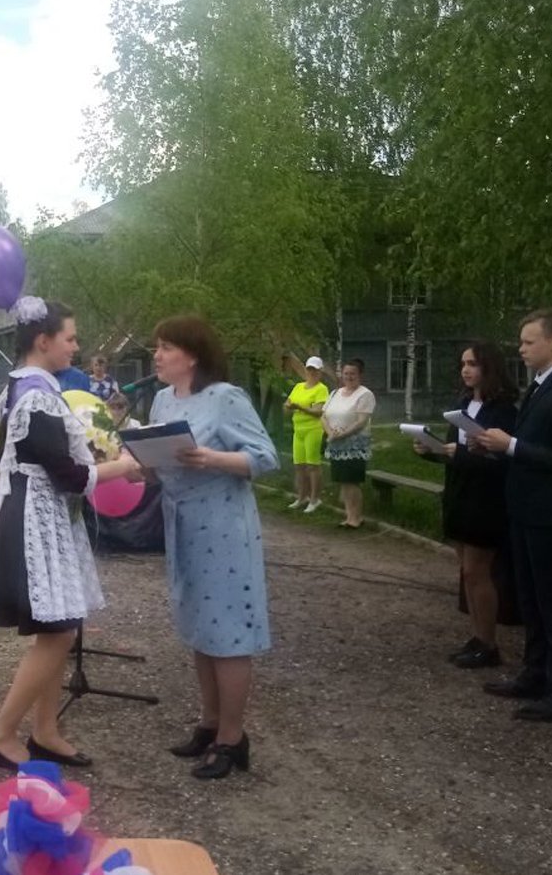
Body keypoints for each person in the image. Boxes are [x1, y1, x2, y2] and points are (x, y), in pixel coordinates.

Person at [0, 297, 142, 772]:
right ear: (43, 341)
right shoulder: (37, 396)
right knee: (59, 631)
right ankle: (0, 737)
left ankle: (45, 731)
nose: (75, 346)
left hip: (38, 513)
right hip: (35, 517)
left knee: (57, 628)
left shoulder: (23, 386)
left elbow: (6, 455)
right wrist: (122, 467)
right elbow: (69, 476)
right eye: (70, 338)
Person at [148, 315, 279, 780]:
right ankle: (209, 723)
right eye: (156, 347)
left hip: (223, 526)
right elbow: (158, 458)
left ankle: (232, 737)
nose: (157, 356)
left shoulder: (226, 398)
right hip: (182, 523)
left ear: (192, 355)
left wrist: (212, 458)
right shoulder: (163, 400)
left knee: (228, 632)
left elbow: (265, 458)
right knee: (200, 627)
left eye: (166, 347)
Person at [476, 309, 552, 722]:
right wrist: (494, 447)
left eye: (528, 341)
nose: (521, 349)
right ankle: (535, 673)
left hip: (548, 514)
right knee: (530, 599)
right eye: (521, 341)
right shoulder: (541, 386)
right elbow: (527, 448)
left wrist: (511, 446)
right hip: (524, 509)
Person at [415, 343, 518, 669]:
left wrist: (458, 453)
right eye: (463, 363)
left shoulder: (503, 411)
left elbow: (502, 462)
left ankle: (489, 644)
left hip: (485, 499)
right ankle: (477, 636)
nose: (465, 370)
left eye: (472, 364)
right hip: (459, 493)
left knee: (477, 571)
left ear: (489, 367)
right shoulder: (462, 405)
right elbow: (455, 452)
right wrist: (430, 450)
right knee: (466, 572)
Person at [321, 359, 375, 529]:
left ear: (360, 375)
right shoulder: (335, 393)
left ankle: (356, 518)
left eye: (353, 373)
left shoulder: (365, 394)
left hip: (354, 445)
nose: (349, 377)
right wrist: (330, 433)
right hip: (336, 444)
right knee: (342, 481)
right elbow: (323, 416)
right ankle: (348, 516)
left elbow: (361, 421)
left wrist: (343, 434)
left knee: (352, 481)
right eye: (346, 373)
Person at [285, 356, 330, 514]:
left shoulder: (321, 389)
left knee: (312, 465)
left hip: (313, 429)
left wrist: (299, 407)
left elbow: (318, 411)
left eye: (315, 370)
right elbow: (287, 403)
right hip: (298, 429)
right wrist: (288, 406)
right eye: (309, 369)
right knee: (299, 465)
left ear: (320, 372)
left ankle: (314, 499)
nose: (312, 373)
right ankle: (301, 497)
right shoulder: (298, 386)